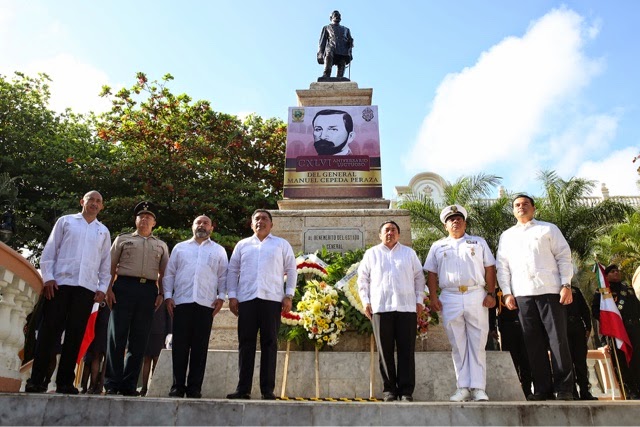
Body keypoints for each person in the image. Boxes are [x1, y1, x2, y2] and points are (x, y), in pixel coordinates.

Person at [25, 191, 111, 394]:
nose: (95, 204)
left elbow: (105, 263)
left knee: (75, 335)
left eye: (98, 201)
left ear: (101, 206)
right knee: (48, 333)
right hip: (60, 285)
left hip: (86, 288)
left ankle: (65, 382)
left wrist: (101, 288)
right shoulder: (66, 222)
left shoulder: (103, 231)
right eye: (91, 200)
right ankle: (36, 380)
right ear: (83, 202)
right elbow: (50, 250)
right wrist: (48, 278)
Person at [496, 194, 575, 401]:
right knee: (532, 343)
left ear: (534, 208)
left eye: (525, 204)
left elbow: (564, 257)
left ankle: (565, 388)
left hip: (550, 291)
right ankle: (542, 389)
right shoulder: (507, 236)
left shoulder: (548, 229)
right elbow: (502, 267)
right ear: (513, 210)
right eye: (517, 205)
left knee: (557, 340)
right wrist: (506, 293)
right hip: (523, 294)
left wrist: (566, 284)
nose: (521, 207)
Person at [424, 204, 497, 402]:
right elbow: (431, 272)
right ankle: (463, 387)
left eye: (459, 219)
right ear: (445, 226)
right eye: (451, 220)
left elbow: (490, 268)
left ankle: (479, 388)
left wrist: (491, 293)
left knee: (478, 342)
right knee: (458, 343)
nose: (455, 222)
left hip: (476, 294)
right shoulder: (437, 246)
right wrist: (433, 296)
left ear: (465, 223)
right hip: (450, 296)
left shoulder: (478, 242)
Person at [225, 209, 297, 400]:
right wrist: (232, 296)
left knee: (270, 344)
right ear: (251, 224)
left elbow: (291, 269)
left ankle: (267, 390)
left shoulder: (281, 244)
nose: (261, 222)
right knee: (246, 344)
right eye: (257, 219)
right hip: (247, 300)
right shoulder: (242, 245)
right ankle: (243, 389)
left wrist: (288, 295)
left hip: (272, 300)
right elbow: (232, 271)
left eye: (265, 219)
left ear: (271, 224)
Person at [104, 201, 170, 396]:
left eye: (149, 217)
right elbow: (109, 265)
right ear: (136, 220)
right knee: (117, 337)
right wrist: (108, 288)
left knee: (139, 340)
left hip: (148, 290)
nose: (145, 220)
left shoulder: (161, 245)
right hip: (123, 287)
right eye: (141, 216)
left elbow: (164, 272)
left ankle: (129, 384)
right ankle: (112, 383)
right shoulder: (122, 239)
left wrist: (161, 293)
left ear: (154, 223)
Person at [357, 220, 425, 402]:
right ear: (380, 235)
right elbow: (362, 280)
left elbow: (419, 278)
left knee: (406, 350)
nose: (390, 233)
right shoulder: (372, 254)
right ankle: (389, 390)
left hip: (407, 307)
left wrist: (419, 300)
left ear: (399, 234)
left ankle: (406, 391)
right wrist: (366, 301)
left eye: (393, 230)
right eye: (386, 230)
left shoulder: (409, 254)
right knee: (384, 351)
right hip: (381, 308)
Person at [164, 215, 228, 398]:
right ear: (192, 226)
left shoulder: (219, 251)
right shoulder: (180, 248)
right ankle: (177, 386)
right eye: (198, 222)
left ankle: (194, 388)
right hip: (181, 302)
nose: (202, 225)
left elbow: (223, 276)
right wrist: (168, 296)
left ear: (212, 228)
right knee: (179, 347)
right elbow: (169, 274)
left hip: (205, 304)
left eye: (205, 223)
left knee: (200, 348)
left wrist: (221, 297)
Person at [592, 264, 640, 399]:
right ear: (606, 276)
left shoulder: (628, 290)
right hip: (618, 333)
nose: (616, 273)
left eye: (617, 271)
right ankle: (629, 389)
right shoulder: (603, 292)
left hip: (634, 330)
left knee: (636, 360)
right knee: (622, 362)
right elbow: (597, 312)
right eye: (612, 271)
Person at [496, 288, 533, 397]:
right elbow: (493, 310)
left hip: (524, 328)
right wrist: (492, 328)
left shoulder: (521, 286)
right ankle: (513, 390)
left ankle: (527, 391)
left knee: (525, 360)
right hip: (508, 329)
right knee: (511, 361)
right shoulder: (500, 292)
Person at [566, 285, 597, 400]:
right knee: (567, 363)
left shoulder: (575, 289)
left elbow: (584, 309)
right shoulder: (552, 289)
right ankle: (572, 392)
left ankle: (585, 392)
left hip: (577, 328)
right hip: (563, 329)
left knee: (581, 362)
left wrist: (588, 327)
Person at [140, 298, 172, 397]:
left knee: (154, 360)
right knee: (148, 360)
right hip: (151, 331)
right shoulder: (152, 294)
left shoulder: (162, 297)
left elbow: (169, 316)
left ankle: (152, 387)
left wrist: (169, 333)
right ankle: (145, 387)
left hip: (158, 332)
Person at [80, 302, 110, 394]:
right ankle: (98, 386)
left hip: (98, 319)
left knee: (95, 356)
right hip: (107, 319)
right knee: (104, 357)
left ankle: (91, 386)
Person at [317, 10, 354, 80]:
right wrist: (320, 53)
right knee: (328, 57)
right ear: (331, 18)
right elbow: (322, 41)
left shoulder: (346, 29)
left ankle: (340, 76)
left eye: (339, 15)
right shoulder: (326, 27)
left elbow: (350, 40)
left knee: (342, 62)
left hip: (343, 48)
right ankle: (326, 74)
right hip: (331, 46)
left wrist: (350, 42)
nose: (337, 16)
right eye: (335, 15)